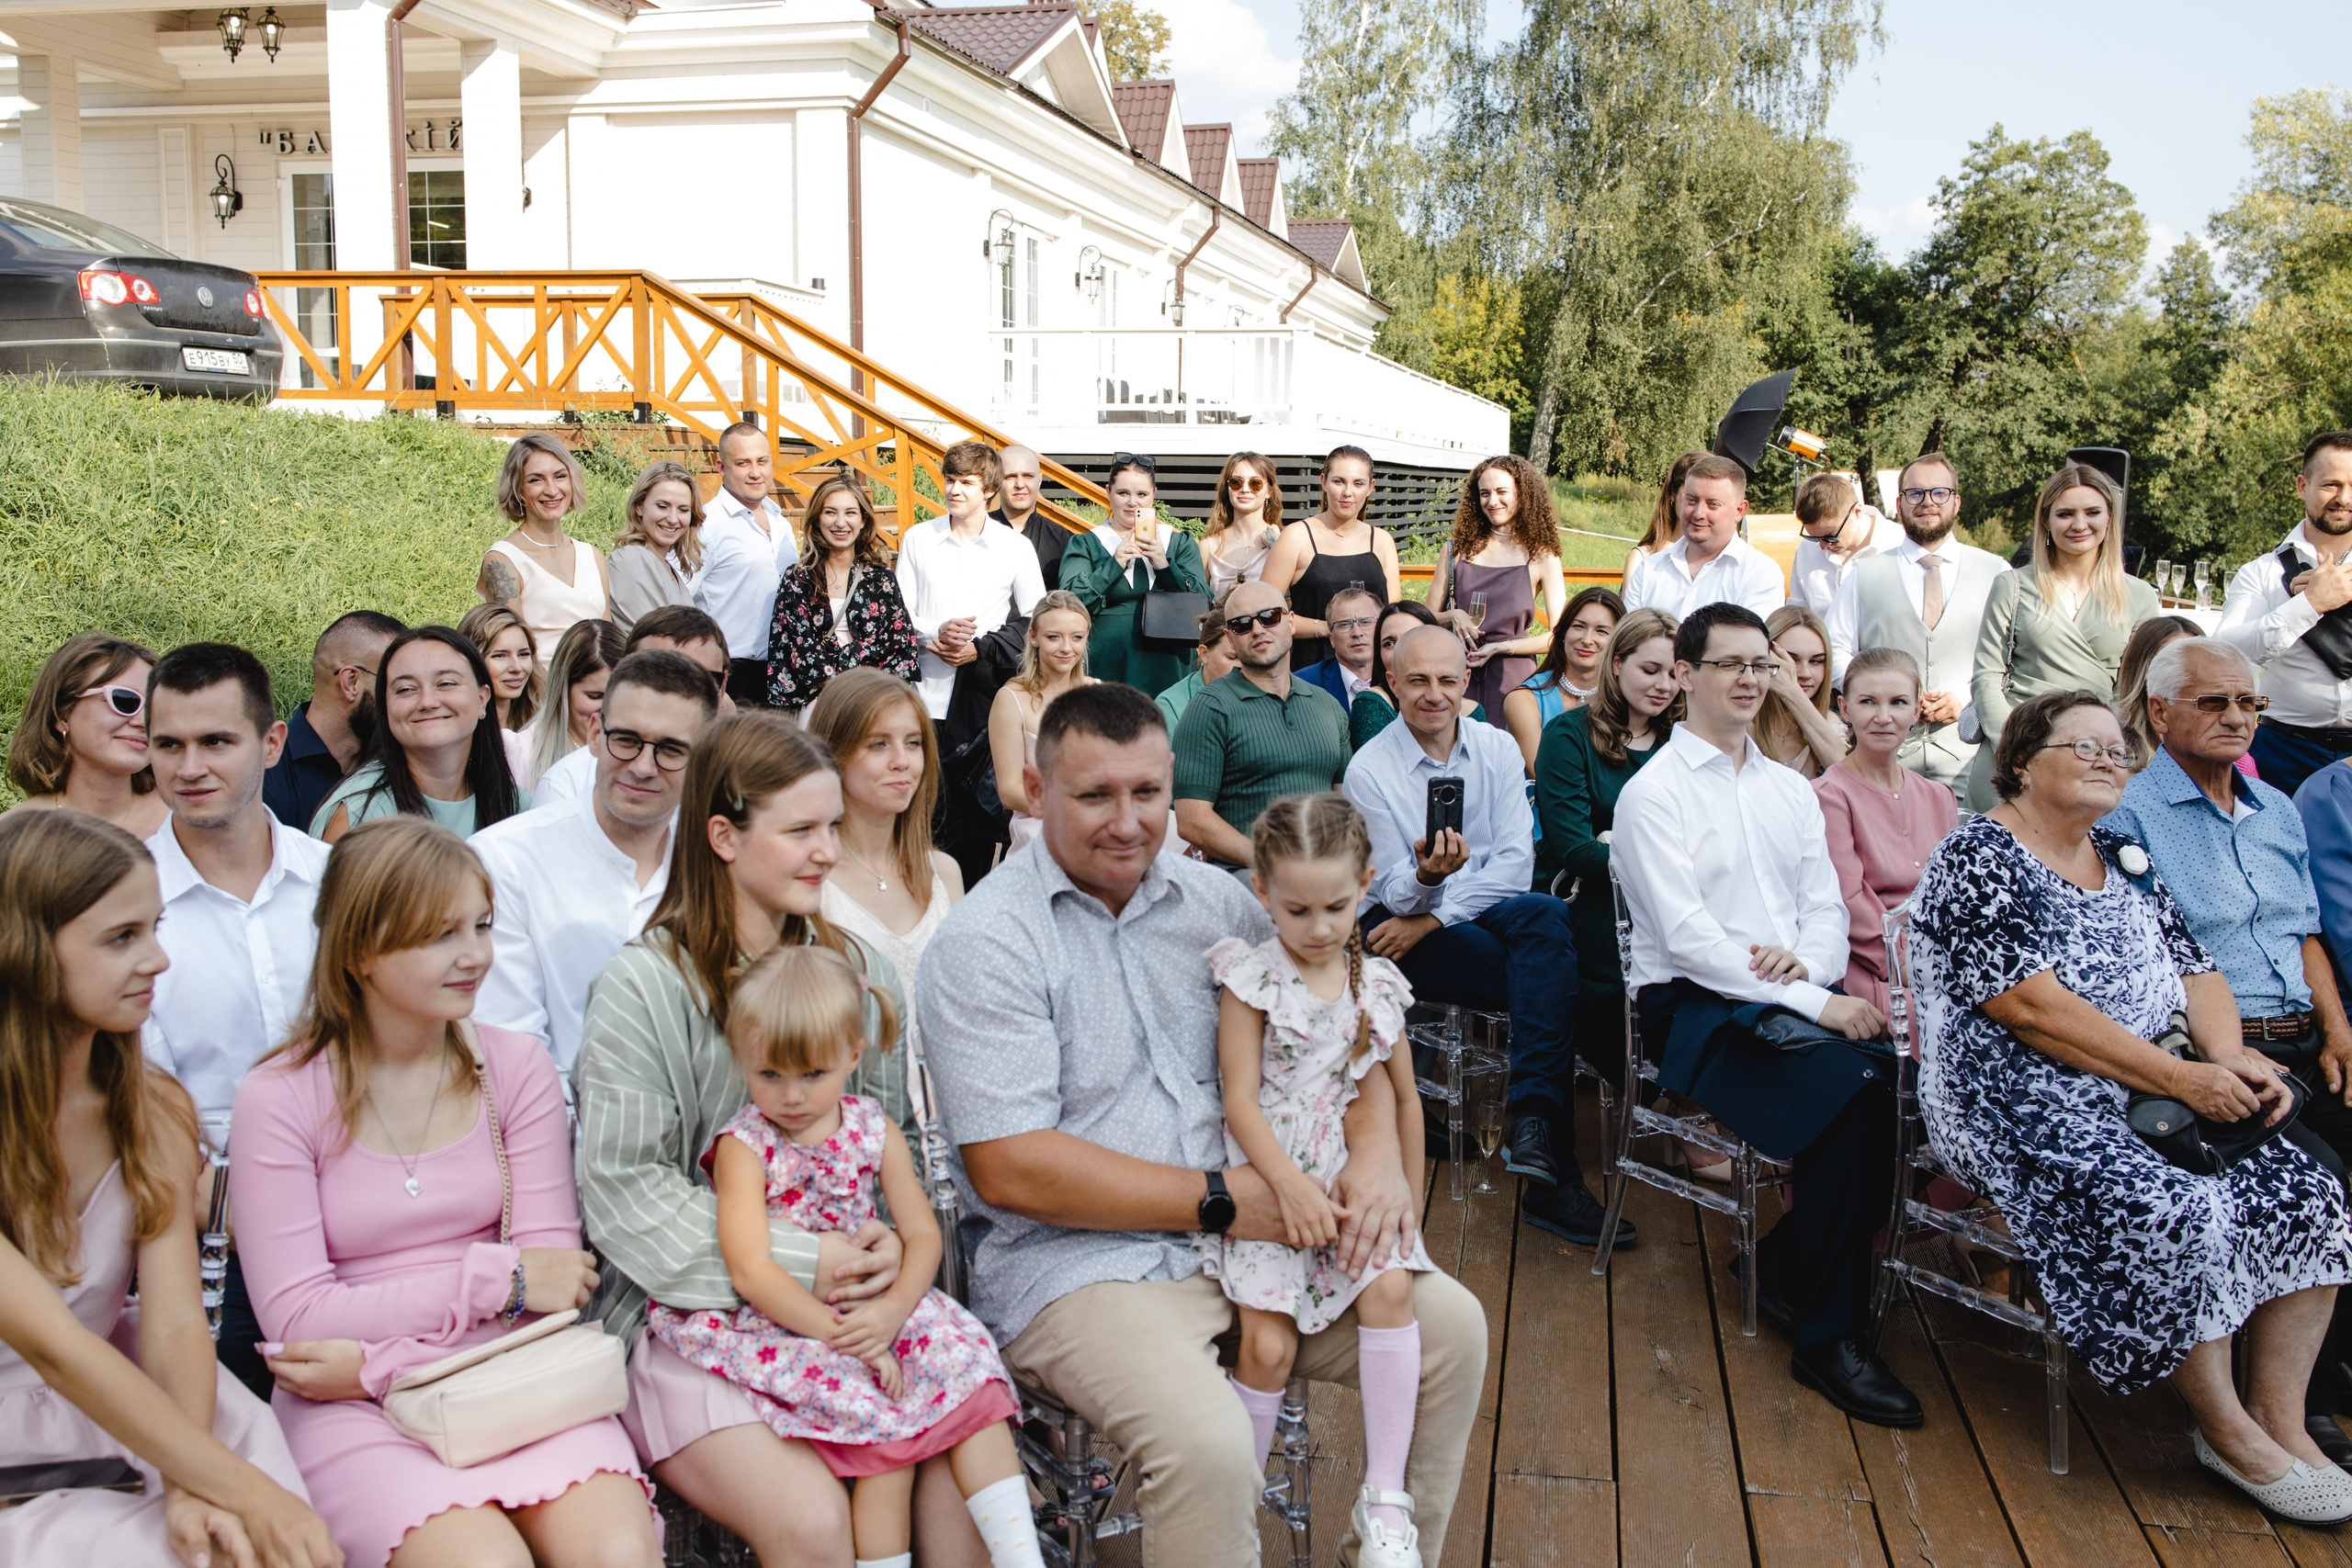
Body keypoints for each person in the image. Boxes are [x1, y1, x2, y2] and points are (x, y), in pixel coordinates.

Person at [916, 682, 1487, 1563]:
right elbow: (1010, 1167)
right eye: (1095, 794)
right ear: (1037, 792)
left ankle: (1384, 1539)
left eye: (1147, 792)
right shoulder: (988, 941)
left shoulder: (1222, 905)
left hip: (1266, 1239)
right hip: (1080, 1267)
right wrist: (1224, 1199)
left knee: (1453, 1328)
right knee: (1209, 1441)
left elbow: (1343, 1033)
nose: (1127, 820)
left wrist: (1374, 1156)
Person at [1909, 691, 2352, 1520]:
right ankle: (2223, 1430)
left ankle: (2280, 1418)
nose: (2112, 762)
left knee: (2309, 1195)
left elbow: (2198, 968)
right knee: (2182, 1206)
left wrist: (2224, 1056)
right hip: (2017, 1099)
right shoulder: (1979, 857)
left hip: (2155, 1086)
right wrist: (2180, 1079)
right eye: (2088, 748)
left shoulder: (2123, 853)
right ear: (2023, 760)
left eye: (2120, 750)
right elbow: (2029, 1009)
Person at [571, 715, 978, 1566]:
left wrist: (881, 1244)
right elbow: (625, 1192)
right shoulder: (642, 986)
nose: (828, 850)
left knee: (961, 1485)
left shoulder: (853, 969)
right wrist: (809, 1261)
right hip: (686, 1312)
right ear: (723, 835)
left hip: (852, 1308)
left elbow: (883, 1142)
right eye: (801, 829)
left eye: (832, 825)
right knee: (813, 1523)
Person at [232, 818, 660, 1568]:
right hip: (355, 1409)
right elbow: (299, 1319)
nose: (476, 956)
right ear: (361, 949)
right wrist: (496, 1278)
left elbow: (555, 1277)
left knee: (617, 1552)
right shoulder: (280, 1095)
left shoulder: (514, 1066)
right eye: (441, 934)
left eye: (482, 926)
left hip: (513, 1374)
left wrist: (373, 1353)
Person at [0, 808, 339, 1568]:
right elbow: (52, 1348)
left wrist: (189, 1485)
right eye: (122, 937)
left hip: (130, 1400)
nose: (158, 959)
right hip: (45, 1411)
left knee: (234, 1539)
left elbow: (178, 1323)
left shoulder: (151, 1110)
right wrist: (238, 1488)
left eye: (155, 928)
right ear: (21, 950)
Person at [1611, 603, 1917, 1427]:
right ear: (1684, 675)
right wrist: (1818, 997)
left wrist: (1810, 970)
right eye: (1732, 664)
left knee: (1898, 1080)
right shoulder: (1654, 796)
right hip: (1693, 1005)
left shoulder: (1790, 789)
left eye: (1763, 665)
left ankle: (1785, 1262)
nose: (1751, 679)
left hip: (1788, 991)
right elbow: (1690, 940)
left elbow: (1823, 905)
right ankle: (1829, 1337)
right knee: (1857, 1085)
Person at [644, 947, 1038, 1568]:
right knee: (886, 1435)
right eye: (769, 1074)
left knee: (970, 1371)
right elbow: (750, 1268)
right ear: (743, 1057)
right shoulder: (746, 1145)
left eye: (812, 1073)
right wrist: (851, 1336)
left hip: (879, 1305)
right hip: (793, 1319)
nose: (792, 1095)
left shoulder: (870, 1128)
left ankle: (1020, 1554)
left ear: (853, 1055)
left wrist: (894, 1313)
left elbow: (921, 1233)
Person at [2109, 637, 2352, 1455]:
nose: (2236, 717)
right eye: (2214, 702)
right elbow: (2145, 958)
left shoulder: (2275, 808)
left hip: (2308, 1038)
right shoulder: (2129, 814)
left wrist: (2340, 1026)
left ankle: (2333, 1366)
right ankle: (2290, 1406)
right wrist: (2211, 1059)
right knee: (2328, 1177)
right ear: (2160, 711)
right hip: (2216, 1049)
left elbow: (2307, 933)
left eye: (2249, 703)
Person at [1210, 792, 1434, 1565]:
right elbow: (1239, 1097)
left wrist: (1407, 1202)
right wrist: (1283, 1185)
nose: (1319, 927)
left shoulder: (1376, 986)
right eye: (1297, 908)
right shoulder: (1254, 979)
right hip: (1272, 1177)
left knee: (1393, 1289)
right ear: (1263, 892)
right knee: (1266, 1347)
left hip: (1348, 1182)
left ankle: (1385, 1501)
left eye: (1337, 906)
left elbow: (1403, 1096)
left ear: (1367, 883)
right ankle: (1234, 1509)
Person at [1345, 627, 1607, 1239]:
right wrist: (1427, 883)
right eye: (1417, 680)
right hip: (1396, 926)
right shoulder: (1370, 770)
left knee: (1545, 917)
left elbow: (1515, 865)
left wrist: (1437, 909)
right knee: (1550, 968)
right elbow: (1391, 892)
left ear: (1466, 682)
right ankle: (1550, 1163)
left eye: (1446, 679)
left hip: (1451, 916)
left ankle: (1536, 1122)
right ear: (1393, 684)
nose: (1433, 694)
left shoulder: (1497, 748)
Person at [140, 643, 332, 1401]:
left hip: (358, 1205)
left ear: (272, 742)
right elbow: (141, 1097)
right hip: (203, 1235)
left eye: (216, 741)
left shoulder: (335, 883)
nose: (190, 767)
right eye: (169, 744)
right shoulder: (125, 906)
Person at [471, 650, 718, 1086]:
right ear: (594, 733)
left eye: (671, 750)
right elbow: (510, 1047)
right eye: (626, 740)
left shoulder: (722, 860)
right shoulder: (504, 861)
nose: (643, 767)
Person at [1533, 609, 1682, 1131]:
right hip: (1586, 897)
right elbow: (1576, 850)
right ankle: (1663, 1096)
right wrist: (1666, 860)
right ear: (1616, 665)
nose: (1664, 685)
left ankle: (1696, 1097)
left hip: (1666, 897)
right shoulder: (1568, 736)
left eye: (1673, 672)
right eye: (1650, 670)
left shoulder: (1681, 743)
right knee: (1629, 972)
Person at [1962, 463, 2159, 810]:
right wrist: (2014, 747)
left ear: (2110, 519)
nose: (2079, 524)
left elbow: (2136, 692)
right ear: (2046, 521)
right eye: (2066, 513)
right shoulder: (2013, 586)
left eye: (2092, 512)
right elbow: (1986, 676)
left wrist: (2115, 753)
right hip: (2016, 757)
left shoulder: (2140, 596)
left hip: (2096, 760)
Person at [897, 440, 1048, 887]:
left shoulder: (1013, 547)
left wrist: (980, 648)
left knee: (981, 832)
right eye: (949, 480)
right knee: (926, 823)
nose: (954, 490)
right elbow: (898, 613)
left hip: (985, 702)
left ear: (988, 489)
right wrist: (934, 635)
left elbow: (1037, 618)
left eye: (966, 482)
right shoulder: (918, 538)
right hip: (924, 697)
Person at [1824, 452, 2007, 793]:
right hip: (1884, 760)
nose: (1927, 502)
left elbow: (2014, 660)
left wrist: (1970, 701)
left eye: (1939, 492)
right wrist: (1883, 695)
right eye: (1915, 493)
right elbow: (1835, 649)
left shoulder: (1997, 571)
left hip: (1973, 757)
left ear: (1956, 502)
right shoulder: (1863, 574)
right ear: (1899, 502)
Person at [805, 668, 967, 1037]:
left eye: (913, 743)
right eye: (878, 744)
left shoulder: (942, 872)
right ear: (832, 753)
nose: (902, 761)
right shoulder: (806, 879)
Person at [1813, 648, 1957, 1018]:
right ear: (1845, 709)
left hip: (1944, 957)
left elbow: (1953, 894)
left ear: (1915, 711)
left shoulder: (1939, 796)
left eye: (1897, 702)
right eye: (1867, 702)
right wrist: (1909, 966)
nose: (1883, 717)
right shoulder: (1829, 795)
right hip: (1877, 970)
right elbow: (1848, 898)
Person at [1172, 579, 1351, 870]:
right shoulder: (1209, 708)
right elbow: (1192, 821)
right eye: (1242, 625)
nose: (1257, 629)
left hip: (1324, 872)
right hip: (1247, 875)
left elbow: (1345, 800)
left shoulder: (1327, 705)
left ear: (1290, 622)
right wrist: (1275, 864)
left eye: (1270, 617)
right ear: (1230, 638)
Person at [2217, 431, 2352, 796]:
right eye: (2331, 485)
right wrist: (2308, 605)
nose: (2344, 498)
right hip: (2283, 752)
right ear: (2302, 486)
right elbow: (2228, 654)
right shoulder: (2261, 573)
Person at [310, 626, 527, 842]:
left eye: (446, 684)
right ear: (385, 706)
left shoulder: (518, 808)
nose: (427, 702)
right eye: (406, 689)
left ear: (482, 699)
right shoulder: (358, 816)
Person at [530, 609, 733, 811]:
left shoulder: (745, 784)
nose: (676, 694)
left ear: (722, 687)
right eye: (657, 675)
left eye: (699, 680)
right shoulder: (567, 786)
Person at [766, 473, 920, 713]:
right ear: (817, 519)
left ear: (863, 520)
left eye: (850, 512)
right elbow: (798, 646)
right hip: (817, 703)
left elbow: (897, 643)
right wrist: (838, 688)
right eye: (830, 512)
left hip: (871, 701)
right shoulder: (798, 578)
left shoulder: (881, 579)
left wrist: (863, 689)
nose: (840, 522)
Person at [1060, 453, 1212, 694]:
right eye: (1123, 493)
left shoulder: (1178, 543)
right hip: (1105, 667)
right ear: (1108, 492)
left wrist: (1164, 564)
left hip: (1169, 669)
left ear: (1154, 494)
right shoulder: (1086, 543)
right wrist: (1115, 563)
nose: (1133, 503)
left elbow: (1202, 605)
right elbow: (1068, 603)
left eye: (1142, 494)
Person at [1430, 455, 1569, 717]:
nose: (1492, 501)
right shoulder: (1454, 551)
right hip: (1458, 673)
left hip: (1513, 681)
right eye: (1485, 493)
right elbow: (1423, 618)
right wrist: (1453, 616)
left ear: (1522, 493)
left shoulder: (1542, 555)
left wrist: (1502, 647)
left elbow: (1558, 636)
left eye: (1501, 491)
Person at [6, 632, 169, 839]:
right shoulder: (12, 839)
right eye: (124, 700)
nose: (143, 722)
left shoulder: (195, 817)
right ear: (62, 714)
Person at [264, 612, 407, 834]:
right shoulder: (267, 776)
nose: (411, 701)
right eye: (400, 686)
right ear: (351, 683)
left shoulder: (400, 763)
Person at [1264, 446, 1404, 670]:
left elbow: (1393, 615)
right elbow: (1266, 612)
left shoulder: (1382, 541)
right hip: (1313, 669)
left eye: (1358, 483)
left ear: (1370, 487)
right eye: (1339, 481)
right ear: (1323, 481)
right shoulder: (1297, 537)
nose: (1347, 492)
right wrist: (1330, 628)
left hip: (1373, 670)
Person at [477, 431, 609, 663]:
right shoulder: (502, 561)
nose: (551, 490)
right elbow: (512, 653)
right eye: (536, 479)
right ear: (518, 490)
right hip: (541, 692)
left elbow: (609, 639)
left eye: (559, 476)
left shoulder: (593, 556)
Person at [695, 422, 800, 710]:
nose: (756, 472)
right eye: (743, 463)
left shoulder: (781, 523)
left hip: (782, 676)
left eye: (762, 461)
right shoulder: (707, 525)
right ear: (721, 467)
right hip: (730, 680)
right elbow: (677, 598)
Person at [989, 590, 1095, 855]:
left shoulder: (1100, 693)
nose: (1066, 648)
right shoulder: (1011, 700)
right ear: (1033, 636)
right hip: (1038, 841)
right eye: (1053, 637)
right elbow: (1010, 791)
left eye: (1077, 638)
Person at [1621, 455, 1782, 619]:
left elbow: (1748, 643)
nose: (1698, 513)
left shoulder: (1760, 573)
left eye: (1713, 504)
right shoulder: (1650, 569)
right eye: (1692, 500)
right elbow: (1628, 640)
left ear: (1739, 510)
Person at [1502, 586, 1621, 775]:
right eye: (1579, 626)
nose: (1587, 639)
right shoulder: (1524, 700)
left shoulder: (1625, 699)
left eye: (1602, 631)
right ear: (1563, 633)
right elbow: (1545, 774)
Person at [606, 459, 705, 637]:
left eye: (683, 510)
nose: (673, 519)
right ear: (639, 506)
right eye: (662, 506)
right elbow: (650, 640)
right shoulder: (630, 558)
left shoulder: (668, 567)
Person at [526, 618, 626, 790]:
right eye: (595, 696)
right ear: (563, 690)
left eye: (619, 696)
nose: (608, 709)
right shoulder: (521, 752)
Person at [1787, 472, 1902, 617]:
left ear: (1857, 512)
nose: (1822, 545)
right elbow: (1798, 616)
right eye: (1814, 537)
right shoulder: (1806, 550)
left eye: (1830, 536)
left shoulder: (1899, 544)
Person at [1754, 604, 1848, 779]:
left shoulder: (1830, 725)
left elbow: (1849, 779)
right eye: (1792, 659)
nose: (1804, 673)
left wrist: (1791, 691)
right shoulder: (1742, 718)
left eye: (1816, 661)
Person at [457, 602, 539, 785]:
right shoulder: (458, 733)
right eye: (500, 655)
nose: (517, 668)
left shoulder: (540, 724)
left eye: (524, 654)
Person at [1351, 601, 1449, 752]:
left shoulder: (1468, 709)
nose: (1401, 650)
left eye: (1412, 638)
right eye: (1389, 643)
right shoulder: (1372, 705)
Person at [2117, 615, 2210, 769]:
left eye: (2198, 663)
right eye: (2172, 664)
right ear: (2143, 673)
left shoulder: (2229, 752)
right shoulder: (2113, 749)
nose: (2189, 676)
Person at [1202, 450, 1285, 598]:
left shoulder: (1282, 541)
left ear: (1269, 492)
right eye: (1236, 483)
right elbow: (1196, 605)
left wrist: (1277, 547)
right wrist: (1224, 600)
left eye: (1255, 483)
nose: (1245, 489)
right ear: (1227, 489)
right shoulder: (1209, 546)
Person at [989, 443, 1065, 594]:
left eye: (1028, 476)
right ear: (996, 482)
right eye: (1010, 477)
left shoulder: (1062, 540)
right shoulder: (977, 531)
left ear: (1039, 480)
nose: (1020, 484)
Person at [1622, 452, 1704, 589]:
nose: (1700, 511)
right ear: (1673, 493)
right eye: (1690, 498)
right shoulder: (1642, 559)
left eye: (1711, 501)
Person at [1296, 584, 1385, 711]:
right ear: (1331, 639)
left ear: (1381, 629)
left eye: (1365, 622)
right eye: (1344, 625)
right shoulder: (1304, 684)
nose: (1357, 633)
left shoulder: (1400, 679)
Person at [1155, 608, 1238, 732]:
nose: (1242, 667)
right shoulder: (1170, 706)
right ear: (1204, 654)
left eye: (1247, 658)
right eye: (1232, 657)